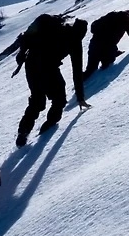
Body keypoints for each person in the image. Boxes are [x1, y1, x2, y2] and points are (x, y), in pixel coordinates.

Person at [13, 14, 88, 146]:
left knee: (37, 100)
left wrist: (22, 52)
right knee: (59, 99)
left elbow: (28, 34)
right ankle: (47, 129)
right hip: (48, 68)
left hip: (31, 64)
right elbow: (77, 71)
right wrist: (80, 97)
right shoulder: (75, 41)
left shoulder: (54, 24)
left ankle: (23, 132)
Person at [83, 10, 129, 79]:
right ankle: (99, 83)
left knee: (90, 70)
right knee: (107, 64)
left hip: (94, 45)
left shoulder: (116, 17)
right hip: (105, 46)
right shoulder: (125, 18)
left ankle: (80, 80)